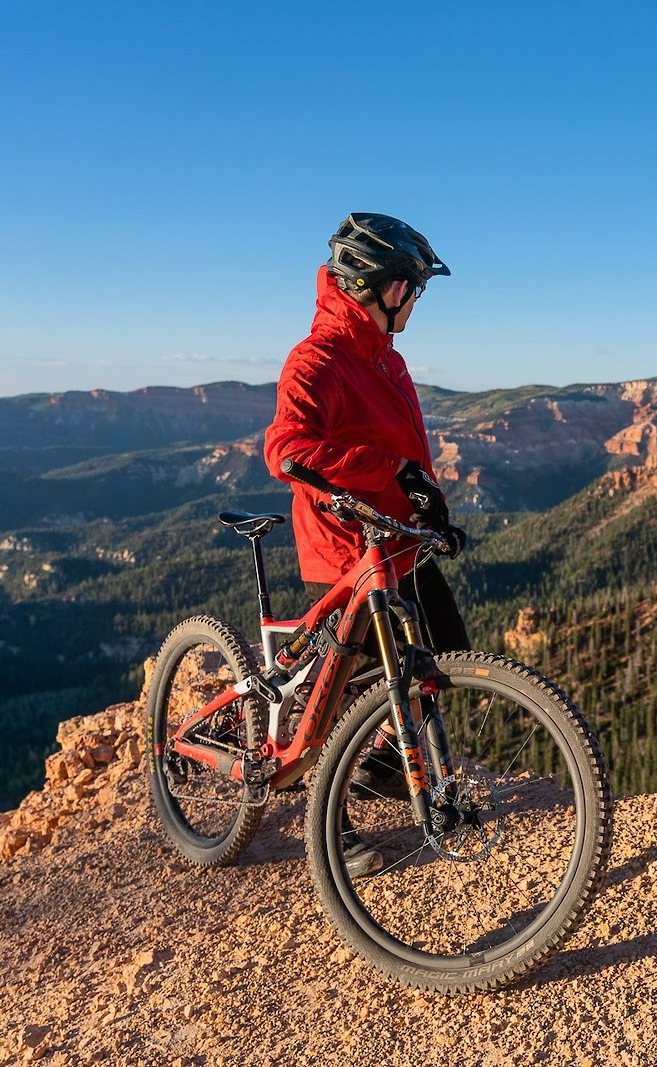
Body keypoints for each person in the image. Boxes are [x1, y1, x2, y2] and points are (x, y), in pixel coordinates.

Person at [263, 212, 469, 877]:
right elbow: (287, 447)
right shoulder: (316, 359)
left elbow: (406, 454)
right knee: (349, 680)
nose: (417, 299)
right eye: (412, 286)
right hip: (347, 541)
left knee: (443, 647)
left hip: (398, 540)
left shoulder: (387, 357)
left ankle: (377, 759)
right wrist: (388, 475)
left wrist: (428, 504)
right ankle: (329, 821)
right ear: (379, 285)